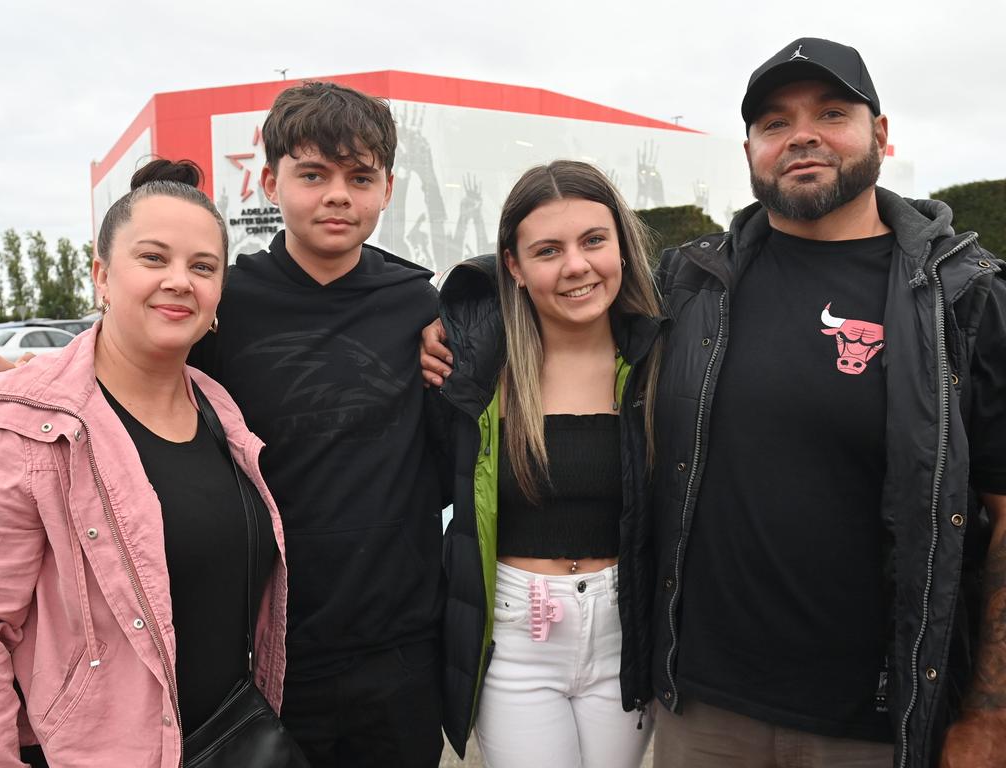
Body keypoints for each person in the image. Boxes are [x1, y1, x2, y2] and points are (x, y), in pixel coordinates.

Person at [645, 39, 1006, 768]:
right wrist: (460, 312)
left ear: (881, 134)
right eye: (775, 122)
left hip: (879, 725)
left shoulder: (966, 300)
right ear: (750, 149)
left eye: (832, 112)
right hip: (703, 712)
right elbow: (558, 282)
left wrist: (990, 717)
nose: (801, 134)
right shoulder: (688, 285)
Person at [0, 159, 289, 768]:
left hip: (230, 736)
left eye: (202, 267)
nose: (180, 280)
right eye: (153, 258)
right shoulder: (27, 424)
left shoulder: (218, 407)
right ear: (101, 275)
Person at [184, 82, 445, 767]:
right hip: (268, 649)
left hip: (399, 645)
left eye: (361, 177)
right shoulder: (227, 304)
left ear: (388, 187)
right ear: (271, 181)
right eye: (313, 175)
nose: (338, 195)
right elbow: (128, 366)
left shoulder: (414, 300)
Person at [435, 160, 661, 767]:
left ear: (621, 242)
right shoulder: (476, 369)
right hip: (517, 638)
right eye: (547, 250)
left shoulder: (660, 360)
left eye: (593, 240)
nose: (576, 267)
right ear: (513, 264)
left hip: (624, 630)